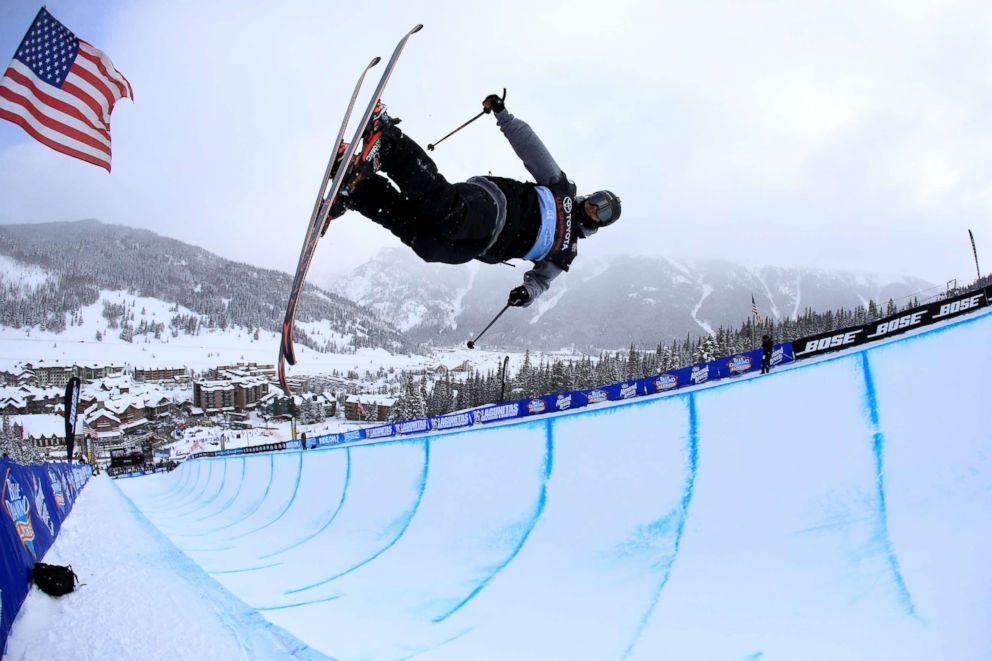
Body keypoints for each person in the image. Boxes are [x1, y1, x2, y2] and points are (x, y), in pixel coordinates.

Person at [326, 94, 622, 307]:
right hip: (495, 206)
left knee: (431, 246)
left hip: (485, 245)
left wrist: (527, 293)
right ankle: (388, 142)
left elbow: (542, 281)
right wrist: (505, 117)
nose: (596, 207)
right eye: (599, 199)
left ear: (602, 224)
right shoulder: (563, 191)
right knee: (451, 214)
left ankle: (362, 191)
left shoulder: (565, 253)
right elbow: (532, 149)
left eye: (604, 211)